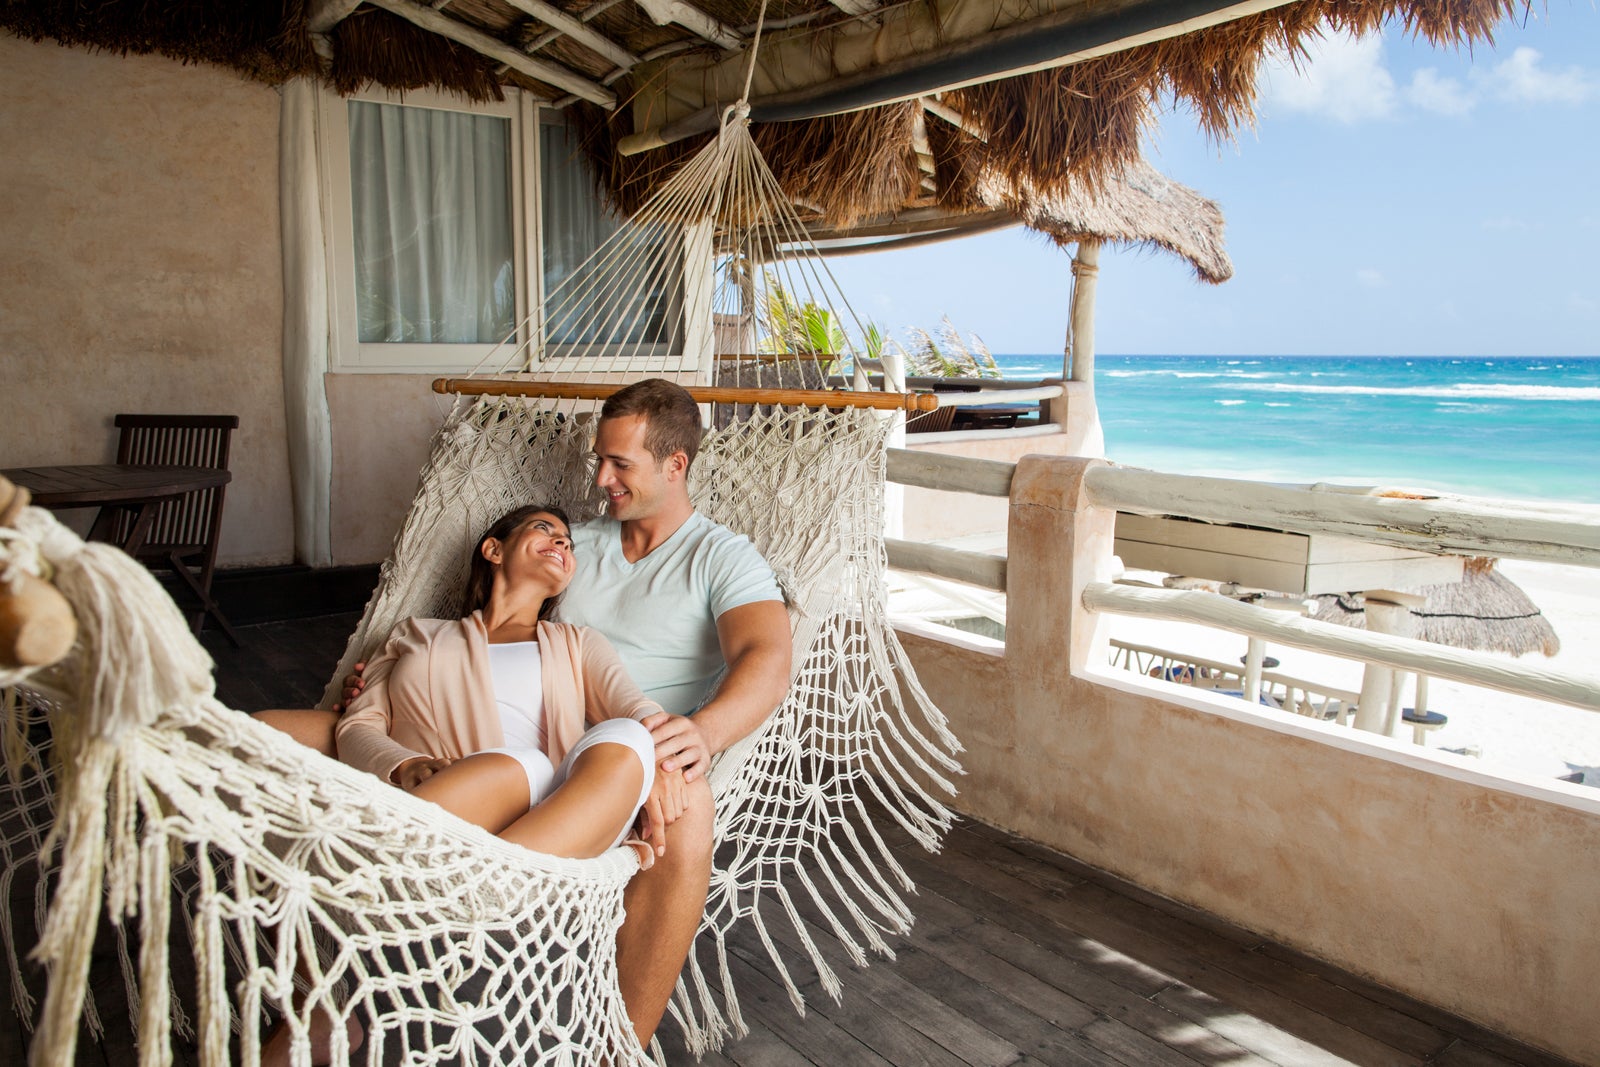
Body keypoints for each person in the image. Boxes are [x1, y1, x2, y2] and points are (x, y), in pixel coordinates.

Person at [262, 379, 792, 1046]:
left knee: (688, 806)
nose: (601, 479)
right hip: (503, 727)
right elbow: (499, 621)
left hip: (617, 754)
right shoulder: (580, 545)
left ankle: (614, 1049)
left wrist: (695, 737)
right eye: (601, 459)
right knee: (275, 743)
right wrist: (385, 678)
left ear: (675, 465)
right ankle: (318, 984)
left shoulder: (721, 556)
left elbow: (768, 658)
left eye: (619, 464)